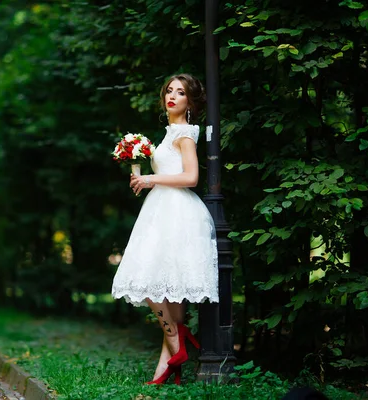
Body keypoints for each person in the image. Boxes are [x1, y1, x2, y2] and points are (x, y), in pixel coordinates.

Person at [111, 73, 219, 385]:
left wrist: (150, 179)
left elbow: (191, 177)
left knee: (145, 280)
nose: (172, 96)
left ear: (190, 101)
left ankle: (176, 338)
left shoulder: (184, 133)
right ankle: (169, 369)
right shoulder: (171, 131)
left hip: (176, 211)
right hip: (161, 209)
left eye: (180, 92)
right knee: (169, 291)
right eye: (169, 91)